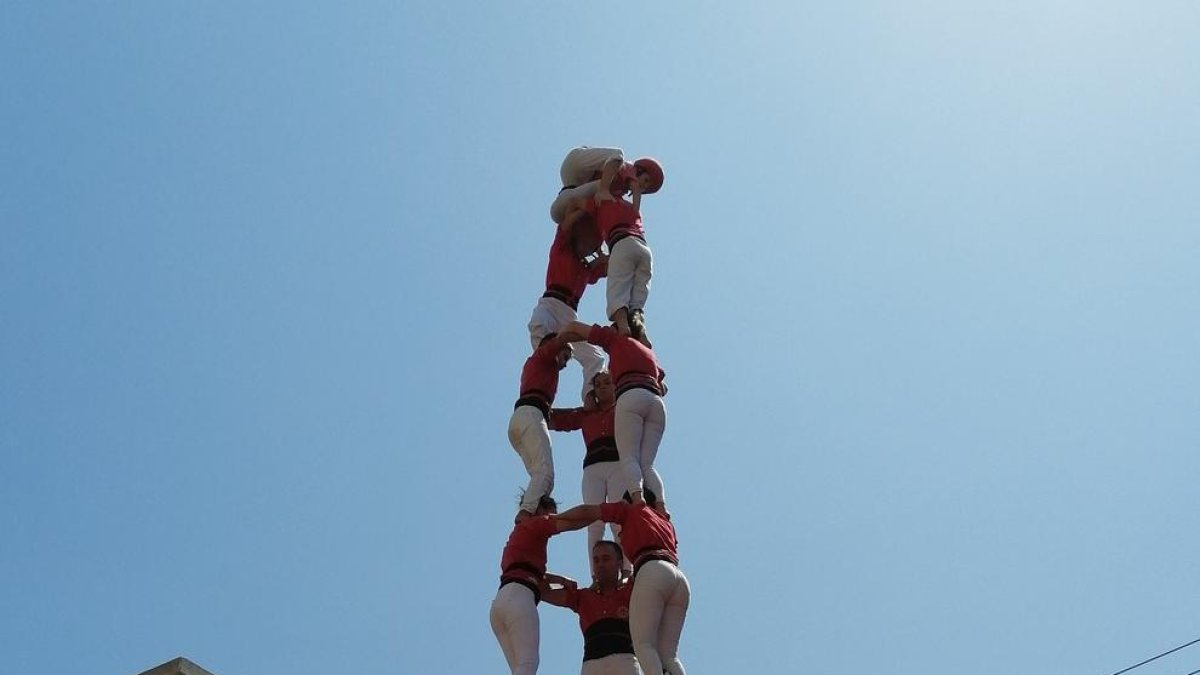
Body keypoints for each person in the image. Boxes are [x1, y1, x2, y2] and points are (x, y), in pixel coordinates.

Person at [555, 491, 688, 675]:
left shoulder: (629, 511)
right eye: (596, 560)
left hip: (651, 569)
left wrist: (553, 521)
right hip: (678, 578)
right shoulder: (665, 523)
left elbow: (587, 510)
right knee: (669, 655)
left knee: (644, 645)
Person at [560, 321, 667, 508]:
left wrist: (559, 342)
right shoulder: (649, 353)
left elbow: (574, 326)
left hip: (631, 396)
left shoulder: (615, 340)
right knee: (647, 464)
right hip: (656, 402)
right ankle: (661, 506)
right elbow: (663, 387)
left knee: (629, 457)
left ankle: (637, 499)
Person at [491, 495, 592, 675]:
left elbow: (534, 577)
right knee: (529, 663)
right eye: (550, 515)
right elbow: (570, 522)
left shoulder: (520, 536)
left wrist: (561, 580)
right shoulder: (535, 525)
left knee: (520, 668)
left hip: (501, 601)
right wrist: (601, 514)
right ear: (540, 511)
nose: (552, 518)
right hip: (520, 598)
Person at [565, 156, 664, 340]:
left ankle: (623, 327)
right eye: (646, 181)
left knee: (618, 290)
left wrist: (572, 220)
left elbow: (574, 203)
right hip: (644, 250)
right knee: (637, 300)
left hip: (622, 243)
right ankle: (641, 333)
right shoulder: (632, 211)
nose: (643, 186)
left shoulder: (602, 202)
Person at [528, 208, 608, 404]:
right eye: (586, 243)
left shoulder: (586, 269)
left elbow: (611, 265)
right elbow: (565, 224)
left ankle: (591, 396)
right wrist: (582, 208)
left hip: (569, 314)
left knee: (595, 356)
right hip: (551, 302)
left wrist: (601, 254)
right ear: (577, 238)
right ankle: (548, 358)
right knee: (538, 323)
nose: (588, 249)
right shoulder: (561, 249)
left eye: (591, 247)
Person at [548, 371, 628, 563]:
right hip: (593, 467)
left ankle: (627, 571)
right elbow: (557, 419)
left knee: (620, 519)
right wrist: (534, 407)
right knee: (594, 523)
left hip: (618, 464)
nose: (602, 387)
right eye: (598, 384)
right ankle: (595, 576)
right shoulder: (586, 414)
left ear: (616, 385)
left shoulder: (625, 407)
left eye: (607, 382)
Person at [541, 540, 641, 675]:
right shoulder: (583, 597)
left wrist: (627, 574)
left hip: (625, 660)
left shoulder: (631, 590)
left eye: (606, 559)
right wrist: (562, 580)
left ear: (619, 563)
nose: (600, 564)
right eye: (596, 560)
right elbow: (541, 589)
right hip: (591, 665)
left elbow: (648, 566)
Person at [509, 333, 571, 514]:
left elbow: (555, 418)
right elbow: (556, 342)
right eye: (565, 356)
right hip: (530, 415)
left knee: (541, 480)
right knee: (545, 475)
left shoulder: (542, 375)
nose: (565, 364)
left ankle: (533, 511)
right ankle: (526, 514)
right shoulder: (542, 357)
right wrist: (581, 334)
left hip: (523, 418)